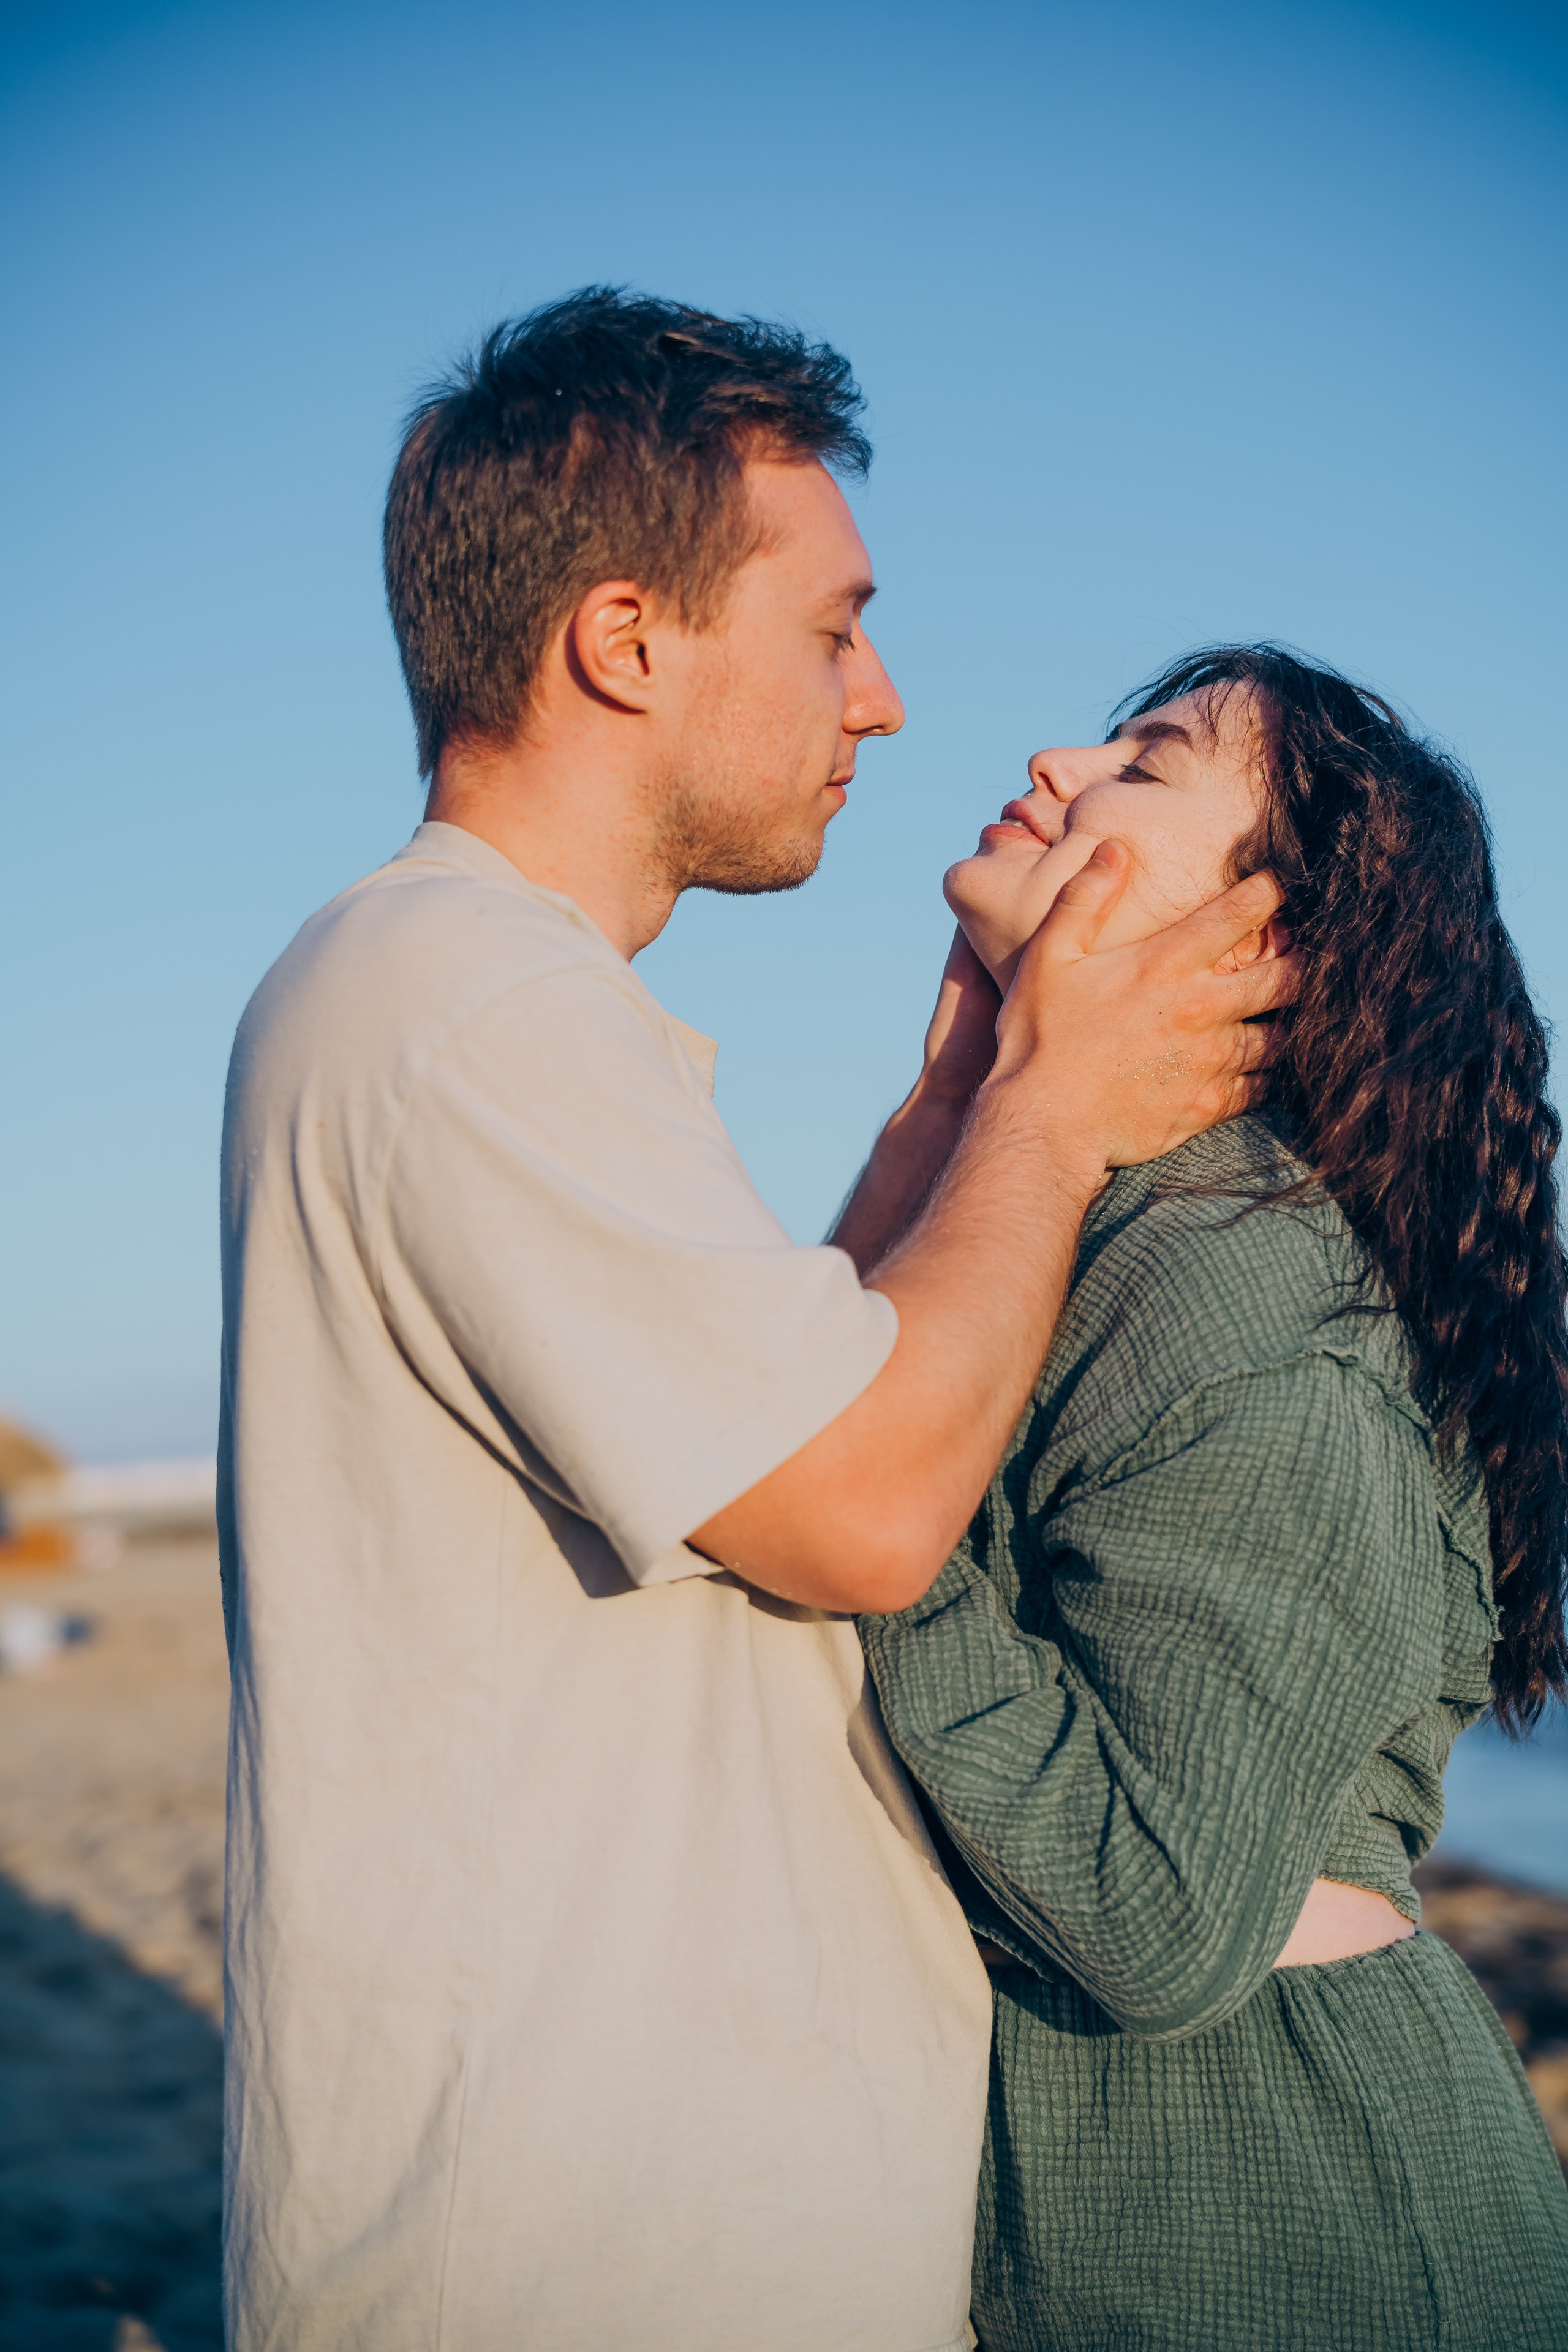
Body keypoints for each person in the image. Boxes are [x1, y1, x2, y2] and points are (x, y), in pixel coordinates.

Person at [217, 293, 1289, 2351]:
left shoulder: (490, 1000)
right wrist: (1058, 1109)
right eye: (831, 628)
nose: (880, 702)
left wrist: (959, 1096)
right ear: (626, 642)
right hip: (573, 2260)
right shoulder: (468, 1001)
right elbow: (863, 1511)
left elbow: (790, 1390)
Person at [861, 644, 1568, 2352]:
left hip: (1271, 2193)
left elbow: (1156, 1909)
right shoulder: (1122, 1224)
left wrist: (880, 1515)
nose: (1054, 755)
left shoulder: (1243, 1284)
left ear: (1262, 944)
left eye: (1148, 762)